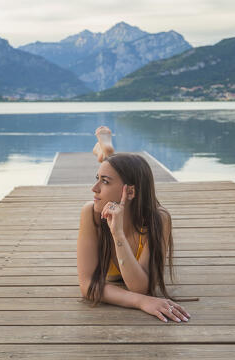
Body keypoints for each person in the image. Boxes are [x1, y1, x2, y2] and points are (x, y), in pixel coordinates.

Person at [76, 126, 191, 323]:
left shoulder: (158, 219)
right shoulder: (91, 213)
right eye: (98, 179)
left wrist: (118, 234)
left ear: (130, 193)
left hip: (133, 205)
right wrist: (140, 302)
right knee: (112, 166)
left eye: (104, 182)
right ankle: (106, 154)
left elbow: (139, 286)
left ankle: (107, 154)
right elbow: (87, 285)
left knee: (114, 168)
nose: (93, 189)